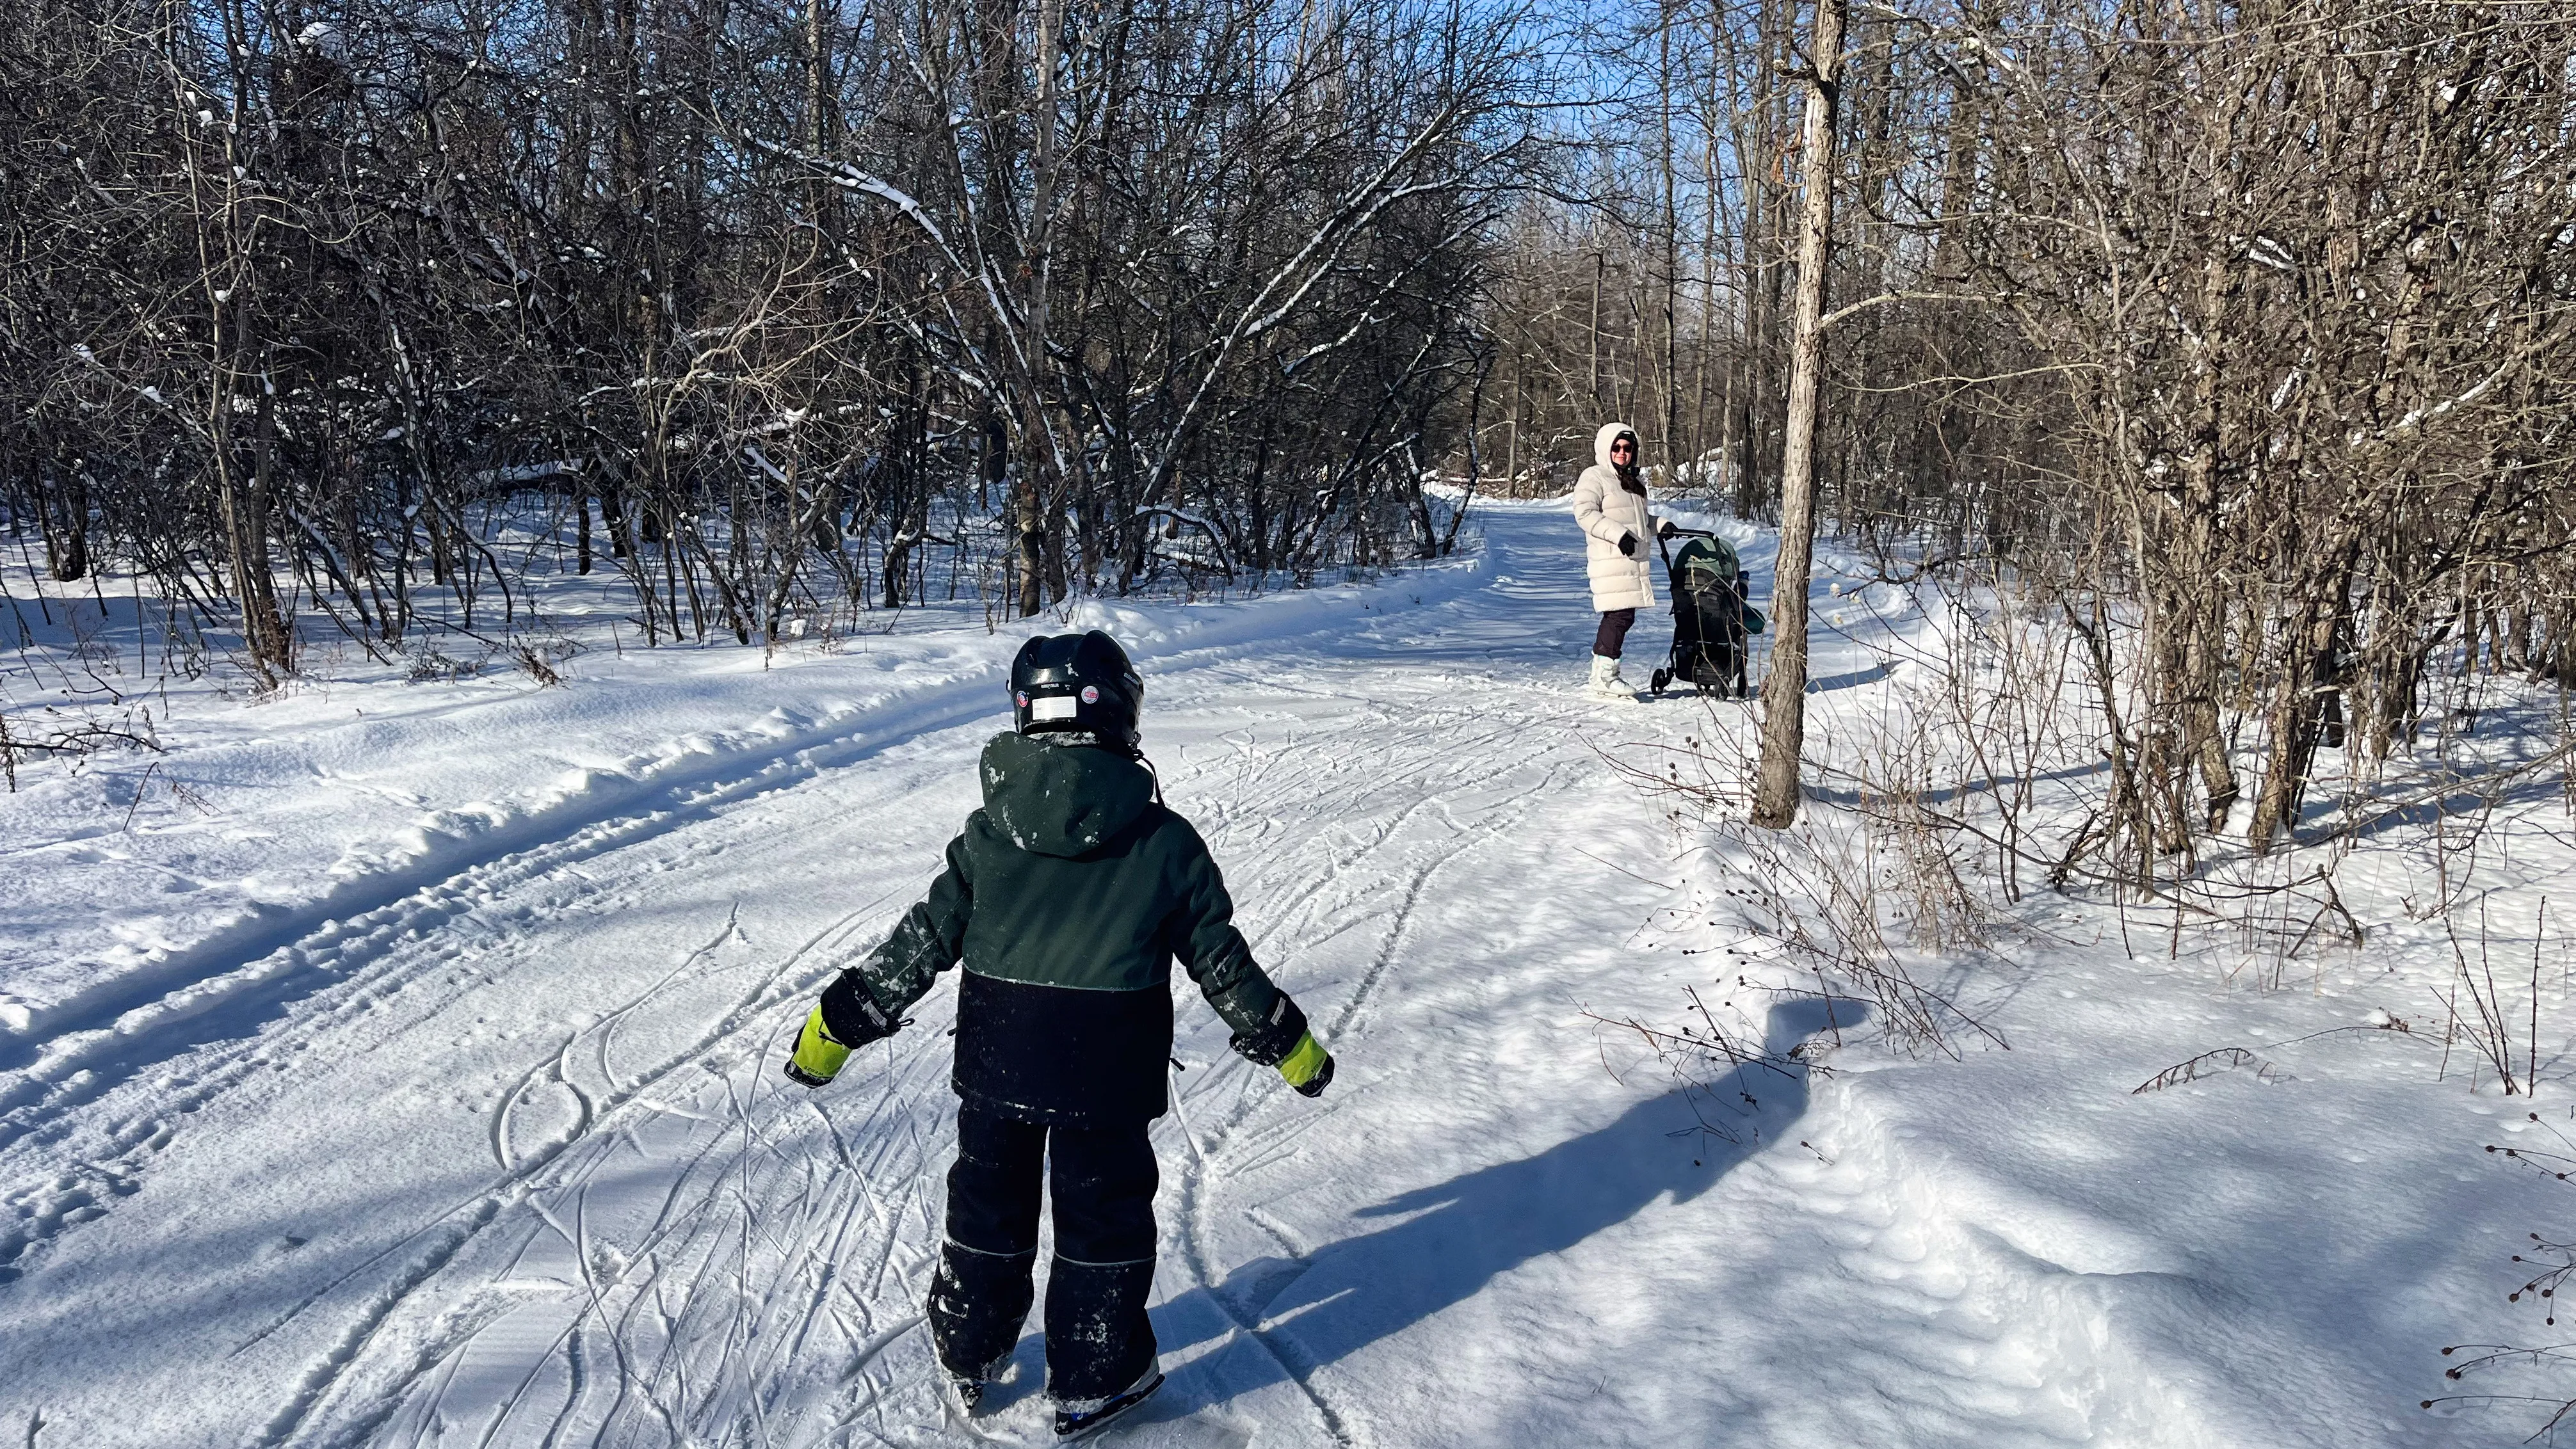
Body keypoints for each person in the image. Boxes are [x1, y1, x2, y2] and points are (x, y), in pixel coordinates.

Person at [780, 630, 1335, 1439]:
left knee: (988, 1196)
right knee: (1102, 1216)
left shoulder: (988, 833)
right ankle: (1094, 1372)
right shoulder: (1164, 841)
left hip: (1000, 1054)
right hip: (1106, 1070)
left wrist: (834, 1025)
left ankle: (969, 1343)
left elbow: (920, 941)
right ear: (1119, 713)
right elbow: (1222, 964)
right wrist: (1292, 1046)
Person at [1571, 422, 1677, 698]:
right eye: (1616, 447)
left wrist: (1661, 524)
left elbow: (1641, 522)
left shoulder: (1632, 482)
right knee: (1618, 615)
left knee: (1622, 616)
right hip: (1611, 559)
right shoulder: (1594, 477)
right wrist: (1618, 535)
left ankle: (1602, 672)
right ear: (1606, 448)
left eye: (1628, 448)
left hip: (1632, 561)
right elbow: (1585, 514)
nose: (1622, 453)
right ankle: (1605, 676)